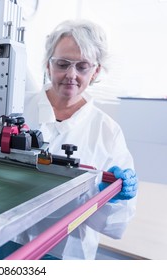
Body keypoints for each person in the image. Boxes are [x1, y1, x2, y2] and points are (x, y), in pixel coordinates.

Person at [17, 19, 138, 259]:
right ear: (48, 66)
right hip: (6, 244)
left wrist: (113, 196)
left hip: (69, 253)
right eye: (63, 64)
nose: (71, 75)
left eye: (82, 67)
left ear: (95, 71)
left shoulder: (107, 131)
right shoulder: (16, 109)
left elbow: (116, 225)